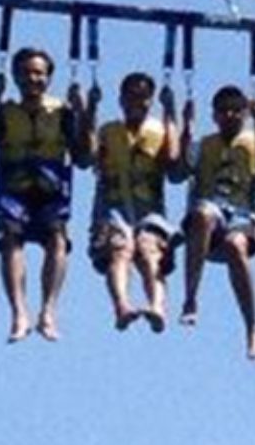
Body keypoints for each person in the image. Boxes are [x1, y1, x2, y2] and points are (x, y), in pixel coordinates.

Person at [0, 47, 77, 342]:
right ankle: (19, 313)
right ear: (17, 77)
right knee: (10, 242)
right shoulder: (4, 114)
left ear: (48, 78)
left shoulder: (63, 112)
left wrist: (85, 111)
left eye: (40, 74)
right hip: (13, 190)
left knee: (57, 240)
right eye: (28, 73)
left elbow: (84, 155)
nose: (34, 79)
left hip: (51, 189)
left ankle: (48, 311)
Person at [179, 84, 255, 360]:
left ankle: (253, 330)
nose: (230, 116)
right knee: (204, 213)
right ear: (215, 115)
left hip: (243, 218)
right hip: (209, 216)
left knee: (235, 245)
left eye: (236, 111)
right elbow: (178, 169)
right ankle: (191, 298)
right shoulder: (202, 146)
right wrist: (185, 125)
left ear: (243, 114)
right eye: (223, 111)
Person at [74, 71, 182, 333]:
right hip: (112, 206)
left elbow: (176, 169)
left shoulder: (160, 129)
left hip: (149, 209)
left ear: (151, 100)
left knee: (149, 252)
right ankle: (122, 306)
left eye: (144, 97)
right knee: (119, 251)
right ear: (121, 99)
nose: (138, 101)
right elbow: (84, 159)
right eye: (132, 96)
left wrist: (172, 115)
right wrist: (88, 109)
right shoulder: (108, 131)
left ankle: (157, 306)